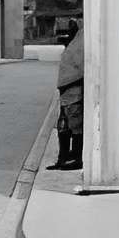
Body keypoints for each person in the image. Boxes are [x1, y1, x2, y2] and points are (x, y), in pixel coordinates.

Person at [52, 19, 85, 171]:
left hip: (74, 87)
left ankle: (77, 158)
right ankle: (63, 157)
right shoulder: (77, 39)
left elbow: (82, 64)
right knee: (63, 125)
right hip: (67, 89)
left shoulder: (82, 39)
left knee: (75, 124)